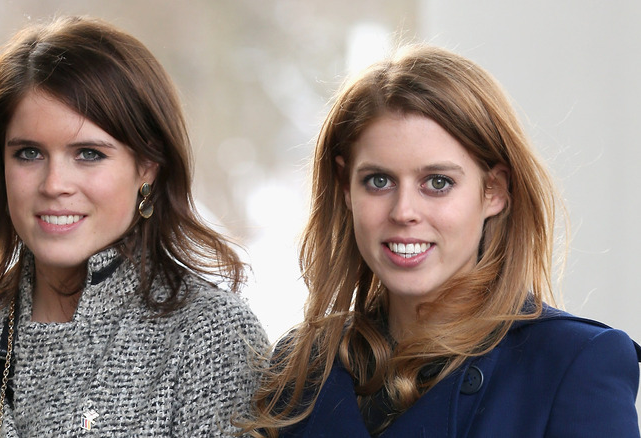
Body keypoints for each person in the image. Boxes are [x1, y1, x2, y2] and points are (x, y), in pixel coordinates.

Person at [0, 16, 268, 438]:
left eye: (89, 154)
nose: (54, 185)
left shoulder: (211, 339)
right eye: (28, 153)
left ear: (147, 167)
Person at [242, 44, 641, 437]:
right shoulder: (302, 367)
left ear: (494, 191)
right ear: (347, 188)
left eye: (438, 183)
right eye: (378, 181)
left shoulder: (573, 364)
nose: (403, 211)